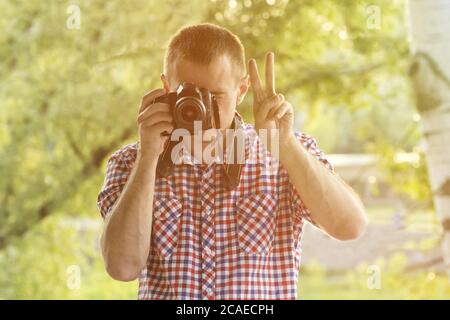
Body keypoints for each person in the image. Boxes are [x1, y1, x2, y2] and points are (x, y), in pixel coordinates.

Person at [97, 23, 367, 299]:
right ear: (166, 87)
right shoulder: (131, 162)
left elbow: (350, 226)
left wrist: (284, 144)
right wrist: (148, 158)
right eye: (188, 96)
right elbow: (122, 267)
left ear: (241, 90)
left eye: (214, 96)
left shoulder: (284, 152)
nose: (200, 111)